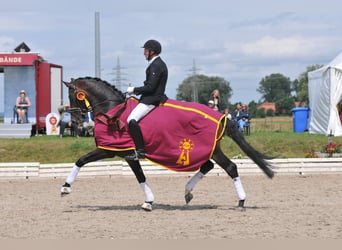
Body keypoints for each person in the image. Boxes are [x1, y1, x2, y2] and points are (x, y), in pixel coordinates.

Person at [125, 39, 168, 161]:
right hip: (150, 97)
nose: (144, 53)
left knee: (131, 119)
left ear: (152, 51)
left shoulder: (156, 65)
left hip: (152, 99)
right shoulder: (156, 64)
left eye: (145, 50)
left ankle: (140, 151)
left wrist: (134, 90)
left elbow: (151, 87)